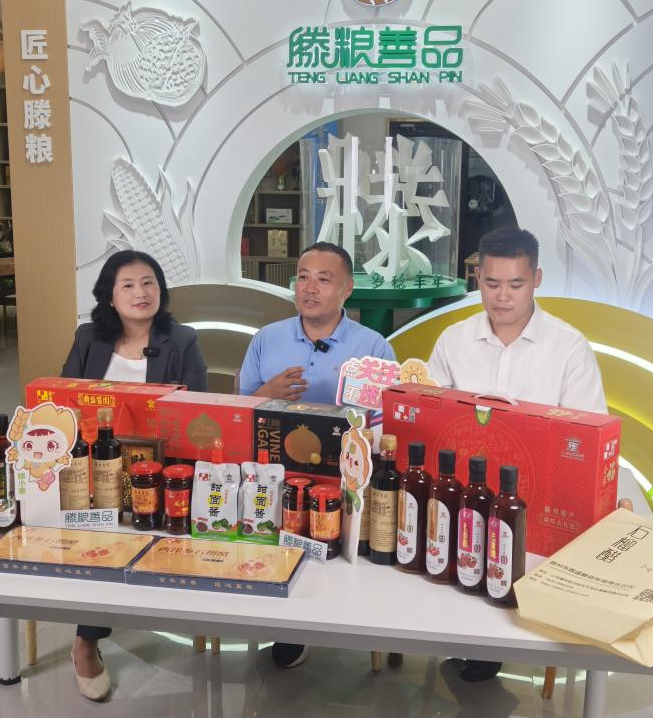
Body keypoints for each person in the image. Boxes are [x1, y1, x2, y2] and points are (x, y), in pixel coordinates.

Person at [428, 227, 608, 683]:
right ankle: (468, 638)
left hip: (537, 496)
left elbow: (585, 435)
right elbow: (433, 419)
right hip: (464, 491)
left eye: (515, 284)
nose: (502, 296)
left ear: (537, 279)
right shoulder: (453, 340)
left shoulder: (568, 347)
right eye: (491, 283)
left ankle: (507, 640)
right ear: (477, 279)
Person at [238, 241, 395, 669]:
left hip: (345, 478)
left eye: (324, 280)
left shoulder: (373, 348)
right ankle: (290, 627)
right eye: (303, 277)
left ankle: (348, 621)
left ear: (347, 289)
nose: (309, 288)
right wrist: (265, 394)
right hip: (275, 474)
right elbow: (237, 414)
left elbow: (386, 427)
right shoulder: (266, 339)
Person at [61, 250, 207, 701]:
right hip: (93, 468)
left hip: (159, 471)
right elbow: (64, 400)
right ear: (109, 296)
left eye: (149, 283)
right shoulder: (89, 338)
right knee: (95, 536)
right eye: (127, 285)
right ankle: (86, 641)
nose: (141, 293)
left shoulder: (181, 339)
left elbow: (197, 412)